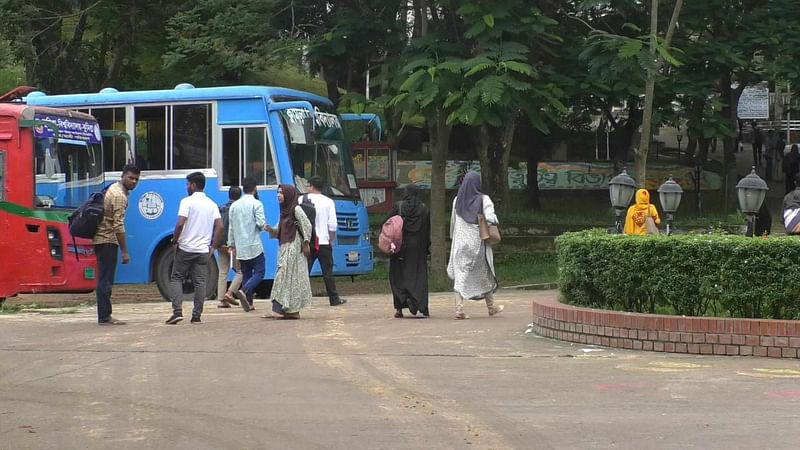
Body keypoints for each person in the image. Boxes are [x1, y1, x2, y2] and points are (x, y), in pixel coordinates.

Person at [165, 172, 223, 325]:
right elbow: (220, 226)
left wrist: (175, 240)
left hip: (186, 249)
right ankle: (196, 316)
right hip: (203, 251)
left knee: (177, 277)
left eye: (187, 184)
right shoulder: (211, 204)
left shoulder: (187, 201)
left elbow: (180, 223)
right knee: (200, 283)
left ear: (193, 185)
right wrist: (213, 246)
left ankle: (177, 312)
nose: (186, 187)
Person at [446, 172, 503, 320]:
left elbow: (453, 222)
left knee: (460, 275)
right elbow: (491, 219)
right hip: (478, 244)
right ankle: (491, 307)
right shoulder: (484, 199)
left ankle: (459, 309)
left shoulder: (457, 200)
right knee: (485, 272)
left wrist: (454, 239)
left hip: (460, 244)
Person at [92, 164, 140, 325]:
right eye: (130, 178)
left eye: (136, 179)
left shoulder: (112, 188)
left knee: (104, 278)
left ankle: (104, 315)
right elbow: (118, 226)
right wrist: (125, 251)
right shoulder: (119, 196)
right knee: (106, 280)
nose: (133, 182)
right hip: (107, 240)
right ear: (123, 176)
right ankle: (104, 316)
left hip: (100, 239)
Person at [265, 184, 313, 319]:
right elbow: (278, 230)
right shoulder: (283, 211)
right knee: (289, 278)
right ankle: (291, 311)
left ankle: (277, 308)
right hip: (285, 246)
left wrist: (306, 242)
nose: (278, 195)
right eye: (277, 192)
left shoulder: (295, 209)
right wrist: (270, 229)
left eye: (281, 193)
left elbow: (307, 225)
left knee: (284, 276)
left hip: (294, 247)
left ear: (289, 195)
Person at [302, 176, 347, 306]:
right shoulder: (328, 202)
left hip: (307, 242)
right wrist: (330, 239)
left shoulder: (301, 199)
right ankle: (334, 298)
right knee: (327, 272)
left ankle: (302, 299)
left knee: (304, 271)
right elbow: (332, 225)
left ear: (311, 186)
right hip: (324, 242)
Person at [387, 184, 431, 318]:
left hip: (400, 246)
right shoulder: (424, 209)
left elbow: (387, 223)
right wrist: (426, 248)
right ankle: (421, 306)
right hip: (417, 247)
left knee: (398, 275)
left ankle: (400, 306)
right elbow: (426, 230)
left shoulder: (398, 206)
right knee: (418, 276)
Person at [227, 177, 267, 312]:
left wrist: (231, 244)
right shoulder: (257, 204)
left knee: (246, 274)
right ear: (255, 188)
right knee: (260, 272)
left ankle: (249, 303)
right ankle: (244, 290)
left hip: (240, 247)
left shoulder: (234, 205)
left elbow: (231, 228)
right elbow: (261, 224)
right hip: (254, 245)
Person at [216, 186, 243, 308]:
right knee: (240, 272)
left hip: (220, 244)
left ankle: (222, 300)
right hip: (233, 245)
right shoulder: (237, 209)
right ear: (240, 196)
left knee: (222, 272)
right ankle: (230, 292)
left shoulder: (220, 208)